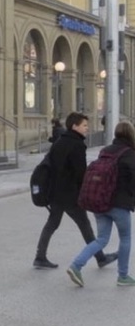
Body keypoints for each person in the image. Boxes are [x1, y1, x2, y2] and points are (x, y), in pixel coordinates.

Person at [33, 111, 118, 269]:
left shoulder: (60, 141)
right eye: (84, 125)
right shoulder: (77, 144)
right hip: (70, 195)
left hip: (56, 193)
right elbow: (81, 173)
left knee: (52, 224)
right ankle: (100, 258)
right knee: (84, 225)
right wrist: (85, 192)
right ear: (75, 126)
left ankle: (40, 256)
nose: (87, 128)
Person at [67, 121, 135, 287]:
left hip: (99, 202)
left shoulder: (106, 151)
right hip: (119, 204)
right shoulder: (130, 154)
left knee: (101, 239)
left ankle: (76, 265)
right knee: (125, 238)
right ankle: (123, 276)